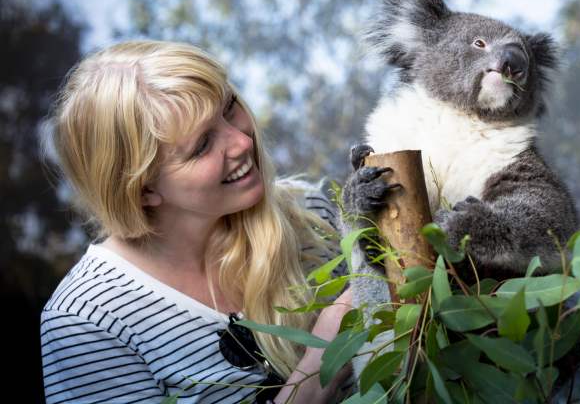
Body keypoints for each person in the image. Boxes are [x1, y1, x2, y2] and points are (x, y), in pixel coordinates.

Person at [40, 40, 352, 403]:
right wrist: (325, 358)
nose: (240, 142)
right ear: (142, 190)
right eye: (202, 145)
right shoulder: (87, 321)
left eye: (230, 107)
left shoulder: (312, 213)